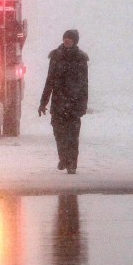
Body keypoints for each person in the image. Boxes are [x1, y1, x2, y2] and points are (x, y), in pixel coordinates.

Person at [38, 29, 89, 174]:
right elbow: (50, 81)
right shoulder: (56, 56)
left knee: (73, 136)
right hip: (59, 103)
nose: (66, 41)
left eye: (70, 39)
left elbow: (85, 84)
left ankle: (72, 164)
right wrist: (43, 102)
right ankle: (63, 158)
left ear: (75, 41)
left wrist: (83, 104)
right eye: (65, 38)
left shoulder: (81, 58)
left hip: (74, 103)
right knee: (59, 134)